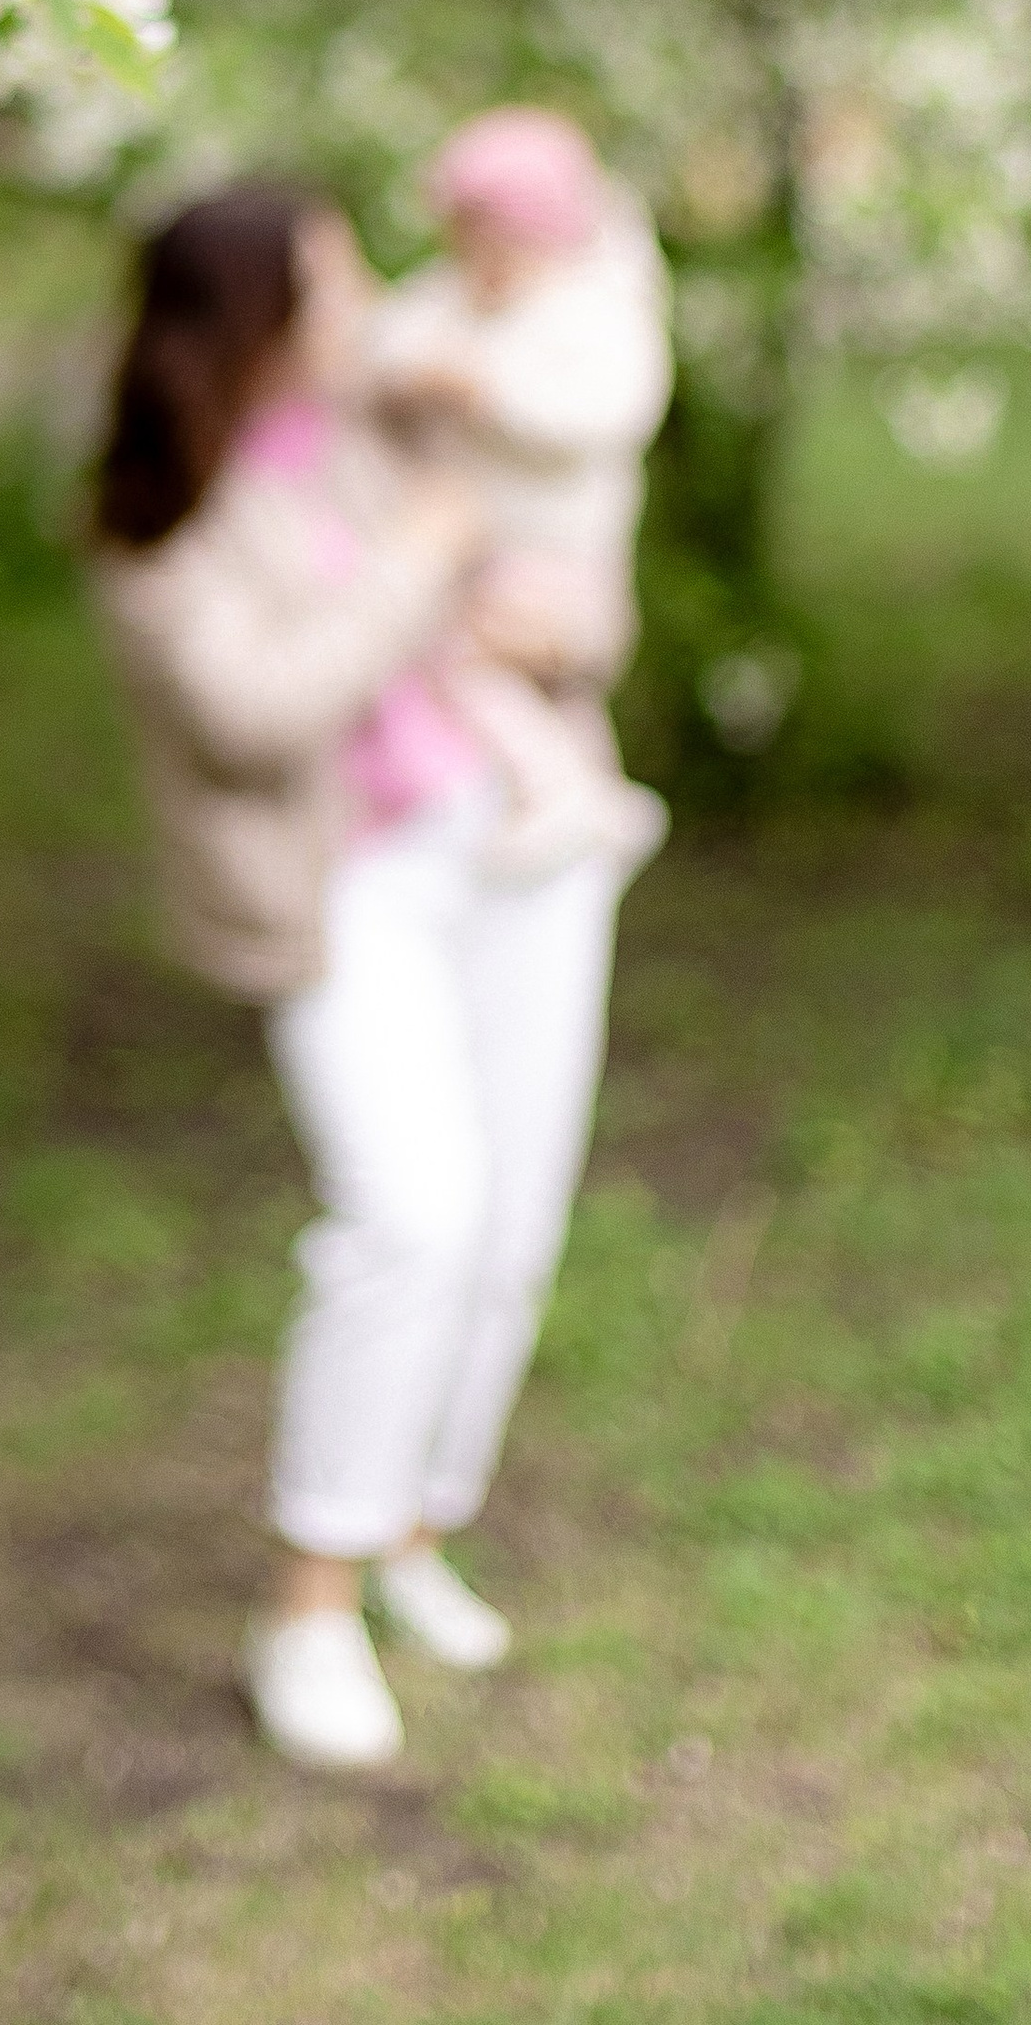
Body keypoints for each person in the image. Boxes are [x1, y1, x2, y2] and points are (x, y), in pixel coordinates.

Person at [92, 179, 640, 1774]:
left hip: (516, 838)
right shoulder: (160, 515)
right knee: (411, 1216)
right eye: (329, 293)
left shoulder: (387, 422)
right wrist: (415, 568)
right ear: (247, 325)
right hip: (346, 894)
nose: (364, 316)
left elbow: (571, 592)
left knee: (510, 1226)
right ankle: (310, 1603)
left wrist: (550, 629)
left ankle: (409, 1524)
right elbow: (257, 715)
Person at [368, 107, 672, 885]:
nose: (481, 263)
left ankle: (559, 789)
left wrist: (484, 391)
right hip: (481, 548)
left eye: (499, 244)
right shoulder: (455, 296)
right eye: (464, 240)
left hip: (559, 553)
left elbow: (608, 412)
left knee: (471, 660)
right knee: (527, 686)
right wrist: (410, 370)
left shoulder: (591, 310)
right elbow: (391, 333)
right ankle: (598, 798)